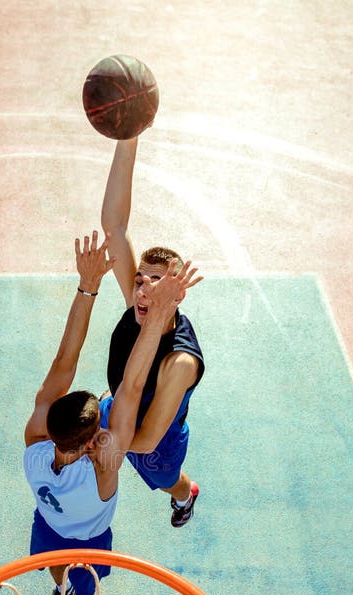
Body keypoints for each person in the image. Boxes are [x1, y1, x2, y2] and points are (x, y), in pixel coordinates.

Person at [24, 230, 201, 595]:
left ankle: (58, 586)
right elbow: (131, 387)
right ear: (94, 443)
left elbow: (64, 359)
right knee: (84, 592)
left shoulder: (34, 441)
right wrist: (158, 318)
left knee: (53, 566)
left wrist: (87, 287)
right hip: (88, 544)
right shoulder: (106, 467)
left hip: (48, 528)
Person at [101, 135, 205, 527]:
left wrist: (98, 444)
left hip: (156, 442)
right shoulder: (139, 303)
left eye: (156, 282)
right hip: (121, 409)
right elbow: (114, 225)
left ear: (177, 292)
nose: (142, 289)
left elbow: (142, 439)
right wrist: (128, 139)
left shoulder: (180, 362)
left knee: (167, 481)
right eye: (140, 279)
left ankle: (187, 495)